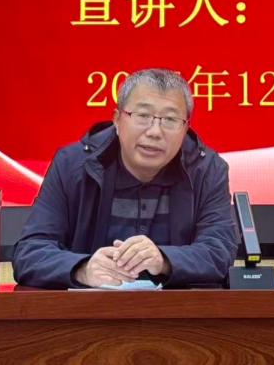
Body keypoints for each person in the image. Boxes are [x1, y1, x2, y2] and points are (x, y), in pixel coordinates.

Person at [13, 68, 237, 288]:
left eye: (170, 119)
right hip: (88, 309)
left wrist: (164, 260)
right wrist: (83, 268)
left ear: (186, 128)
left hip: (180, 310)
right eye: (143, 116)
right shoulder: (72, 165)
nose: (155, 132)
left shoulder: (207, 170)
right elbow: (30, 253)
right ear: (117, 120)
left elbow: (219, 251)